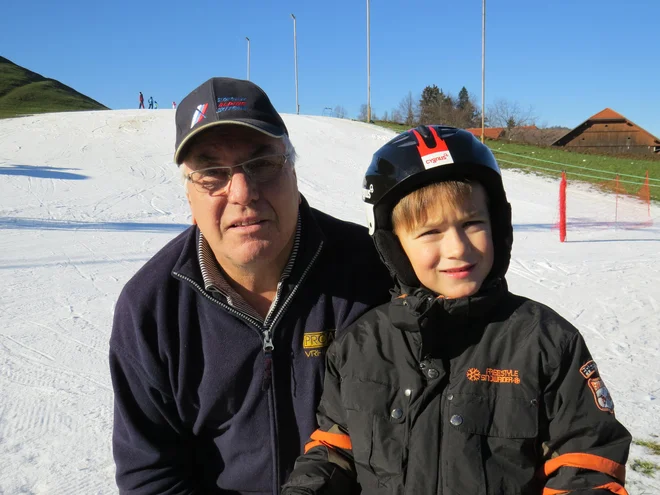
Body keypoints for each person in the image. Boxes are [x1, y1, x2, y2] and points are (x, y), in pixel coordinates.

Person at [282, 126, 632, 495]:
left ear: (497, 226)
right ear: (394, 246)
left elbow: (587, 464)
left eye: (472, 224)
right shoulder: (362, 345)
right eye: (430, 232)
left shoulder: (545, 342)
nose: (457, 248)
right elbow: (335, 452)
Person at [109, 77, 392, 494]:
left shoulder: (371, 270)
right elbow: (152, 475)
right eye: (211, 174)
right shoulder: (151, 309)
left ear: (293, 170)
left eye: (262, 164)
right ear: (189, 196)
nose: (242, 192)